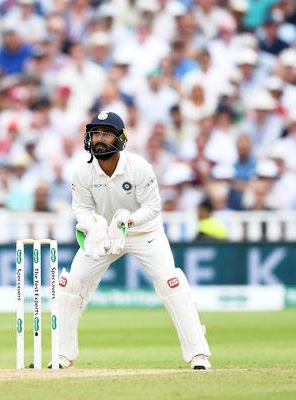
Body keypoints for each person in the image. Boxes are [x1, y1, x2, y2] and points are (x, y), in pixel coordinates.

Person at [56, 111, 211, 370]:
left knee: (171, 283)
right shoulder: (82, 173)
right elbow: (81, 208)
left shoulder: (139, 167)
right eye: (95, 134)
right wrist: (91, 225)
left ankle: (198, 355)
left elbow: (153, 208)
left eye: (105, 134)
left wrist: (128, 221)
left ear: (120, 138)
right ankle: (63, 355)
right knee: (71, 285)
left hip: (144, 233)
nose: (99, 140)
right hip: (104, 233)